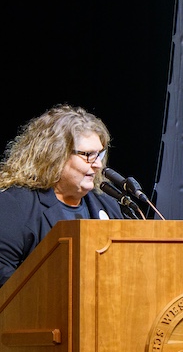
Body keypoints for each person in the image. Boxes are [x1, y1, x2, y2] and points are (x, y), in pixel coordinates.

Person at [0, 105, 123, 287]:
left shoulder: (107, 205)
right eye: (88, 155)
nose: (97, 165)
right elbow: (4, 278)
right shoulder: (15, 205)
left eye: (99, 154)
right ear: (55, 155)